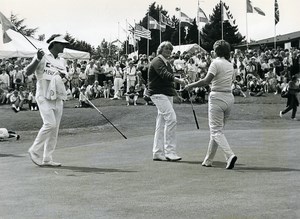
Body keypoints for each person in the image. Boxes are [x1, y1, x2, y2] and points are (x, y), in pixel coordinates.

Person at [185, 40, 237, 169]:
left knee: (215, 131)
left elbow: (206, 80)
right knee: (217, 131)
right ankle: (208, 160)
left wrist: (191, 85)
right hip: (229, 97)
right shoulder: (230, 64)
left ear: (216, 51)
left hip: (217, 97)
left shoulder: (215, 63)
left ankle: (230, 155)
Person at [25, 34, 69, 167]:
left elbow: (65, 80)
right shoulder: (42, 56)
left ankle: (47, 158)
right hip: (43, 96)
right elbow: (27, 72)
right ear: (54, 44)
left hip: (57, 97)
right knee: (50, 124)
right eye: (62, 44)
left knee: (55, 129)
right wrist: (37, 59)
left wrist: (64, 77)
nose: (64, 47)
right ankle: (34, 150)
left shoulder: (62, 61)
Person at [147, 41, 186, 162]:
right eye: (166, 49)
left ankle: (157, 152)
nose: (169, 52)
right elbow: (164, 75)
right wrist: (178, 80)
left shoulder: (167, 63)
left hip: (166, 94)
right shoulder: (157, 61)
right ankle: (170, 152)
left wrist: (176, 95)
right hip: (158, 94)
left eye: (170, 50)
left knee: (161, 122)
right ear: (160, 50)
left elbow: (168, 83)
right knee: (171, 118)